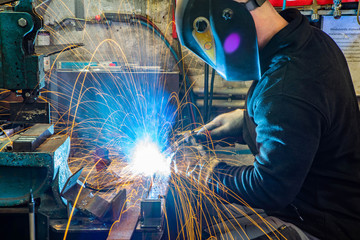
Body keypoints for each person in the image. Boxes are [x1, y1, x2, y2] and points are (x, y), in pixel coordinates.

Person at [175, 0, 360, 239]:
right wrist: (245, 122)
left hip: (321, 226)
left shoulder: (287, 84)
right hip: (315, 206)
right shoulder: (307, 41)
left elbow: (269, 188)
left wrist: (205, 170)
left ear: (227, 16)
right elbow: (300, 126)